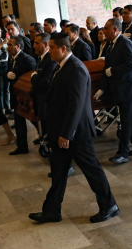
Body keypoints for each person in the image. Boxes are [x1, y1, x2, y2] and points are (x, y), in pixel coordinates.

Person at [29, 34, 119, 224]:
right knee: (59, 172)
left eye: (52, 47)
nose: (49, 50)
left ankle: (109, 205)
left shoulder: (76, 68)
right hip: (62, 130)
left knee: (92, 170)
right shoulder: (62, 66)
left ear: (63, 49)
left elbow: (76, 105)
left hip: (76, 132)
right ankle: (51, 211)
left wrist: (66, 133)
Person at [94, 18, 132, 164]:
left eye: (106, 28)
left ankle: (123, 153)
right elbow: (106, 68)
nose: (104, 31)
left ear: (115, 30)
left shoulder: (125, 43)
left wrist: (114, 71)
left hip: (129, 89)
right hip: (120, 89)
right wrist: (102, 88)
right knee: (131, 119)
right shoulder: (110, 45)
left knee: (126, 121)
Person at [7, 36, 36, 155]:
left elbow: (31, 77)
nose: (7, 47)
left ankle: (46, 140)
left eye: (10, 45)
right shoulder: (11, 58)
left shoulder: (27, 59)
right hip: (15, 94)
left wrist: (17, 76)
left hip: (25, 96)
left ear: (18, 46)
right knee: (19, 122)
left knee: (34, 120)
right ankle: (22, 146)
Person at [31, 33, 58, 139]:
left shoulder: (50, 60)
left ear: (46, 44)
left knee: (49, 127)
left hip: (47, 100)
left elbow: (47, 82)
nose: (34, 46)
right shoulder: (41, 58)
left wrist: (34, 78)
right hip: (40, 99)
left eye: (37, 43)